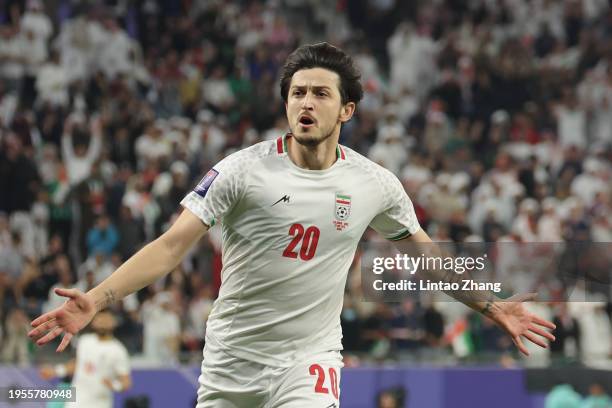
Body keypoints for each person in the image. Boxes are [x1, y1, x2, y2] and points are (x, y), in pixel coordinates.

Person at [29, 43, 555, 407]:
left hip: (309, 360)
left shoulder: (375, 183)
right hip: (231, 358)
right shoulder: (241, 170)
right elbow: (170, 247)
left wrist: (493, 305)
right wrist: (96, 299)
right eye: (298, 92)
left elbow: (425, 255)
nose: (306, 102)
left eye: (320, 94)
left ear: (346, 109)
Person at [39, 311, 131, 408]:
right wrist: (56, 371)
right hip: (76, 402)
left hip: (99, 403)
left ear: (113, 322)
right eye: (99, 319)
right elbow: (77, 364)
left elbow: (126, 382)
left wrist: (114, 385)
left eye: (106, 319)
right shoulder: (85, 341)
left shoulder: (118, 350)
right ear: (94, 322)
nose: (102, 322)